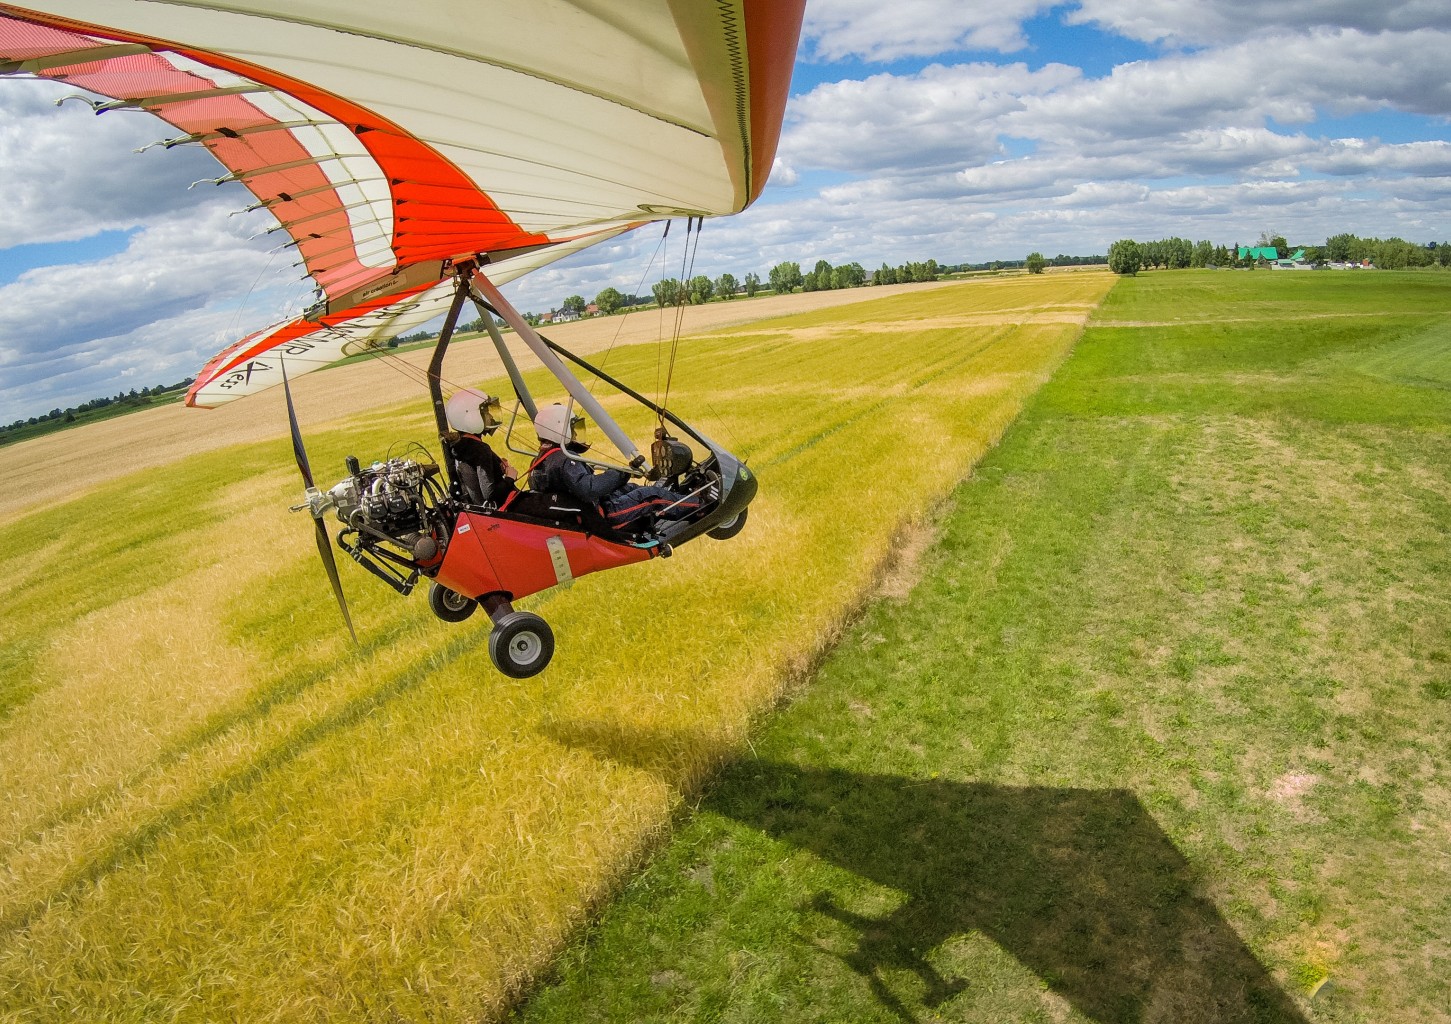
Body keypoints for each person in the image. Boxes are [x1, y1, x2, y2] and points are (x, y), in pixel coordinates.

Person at [528, 403, 700, 532]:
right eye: (573, 430)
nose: (575, 435)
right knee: (650, 496)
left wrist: (622, 476)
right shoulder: (563, 460)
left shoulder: (542, 460)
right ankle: (698, 506)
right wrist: (620, 473)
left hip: (587, 510)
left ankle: (680, 499)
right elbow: (589, 489)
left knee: (629, 488)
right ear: (560, 429)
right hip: (603, 516)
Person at [443, 388, 517, 505]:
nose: (491, 417)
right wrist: (510, 478)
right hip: (500, 512)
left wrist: (496, 468)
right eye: (486, 412)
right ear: (471, 417)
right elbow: (490, 495)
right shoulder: (479, 449)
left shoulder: (458, 446)